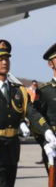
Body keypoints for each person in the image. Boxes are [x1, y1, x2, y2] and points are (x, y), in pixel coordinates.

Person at [0, 40, 56, 187]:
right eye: (0, 59)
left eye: (6, 58)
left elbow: (32, 113)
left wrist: (47, 132)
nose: (4, 62)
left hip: (12, 148)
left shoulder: (19, 90)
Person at [33, 43, 56, 172]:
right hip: (53, 146)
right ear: (50, 64)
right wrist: (45, 143)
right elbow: (36, 120)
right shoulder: (44, 91)